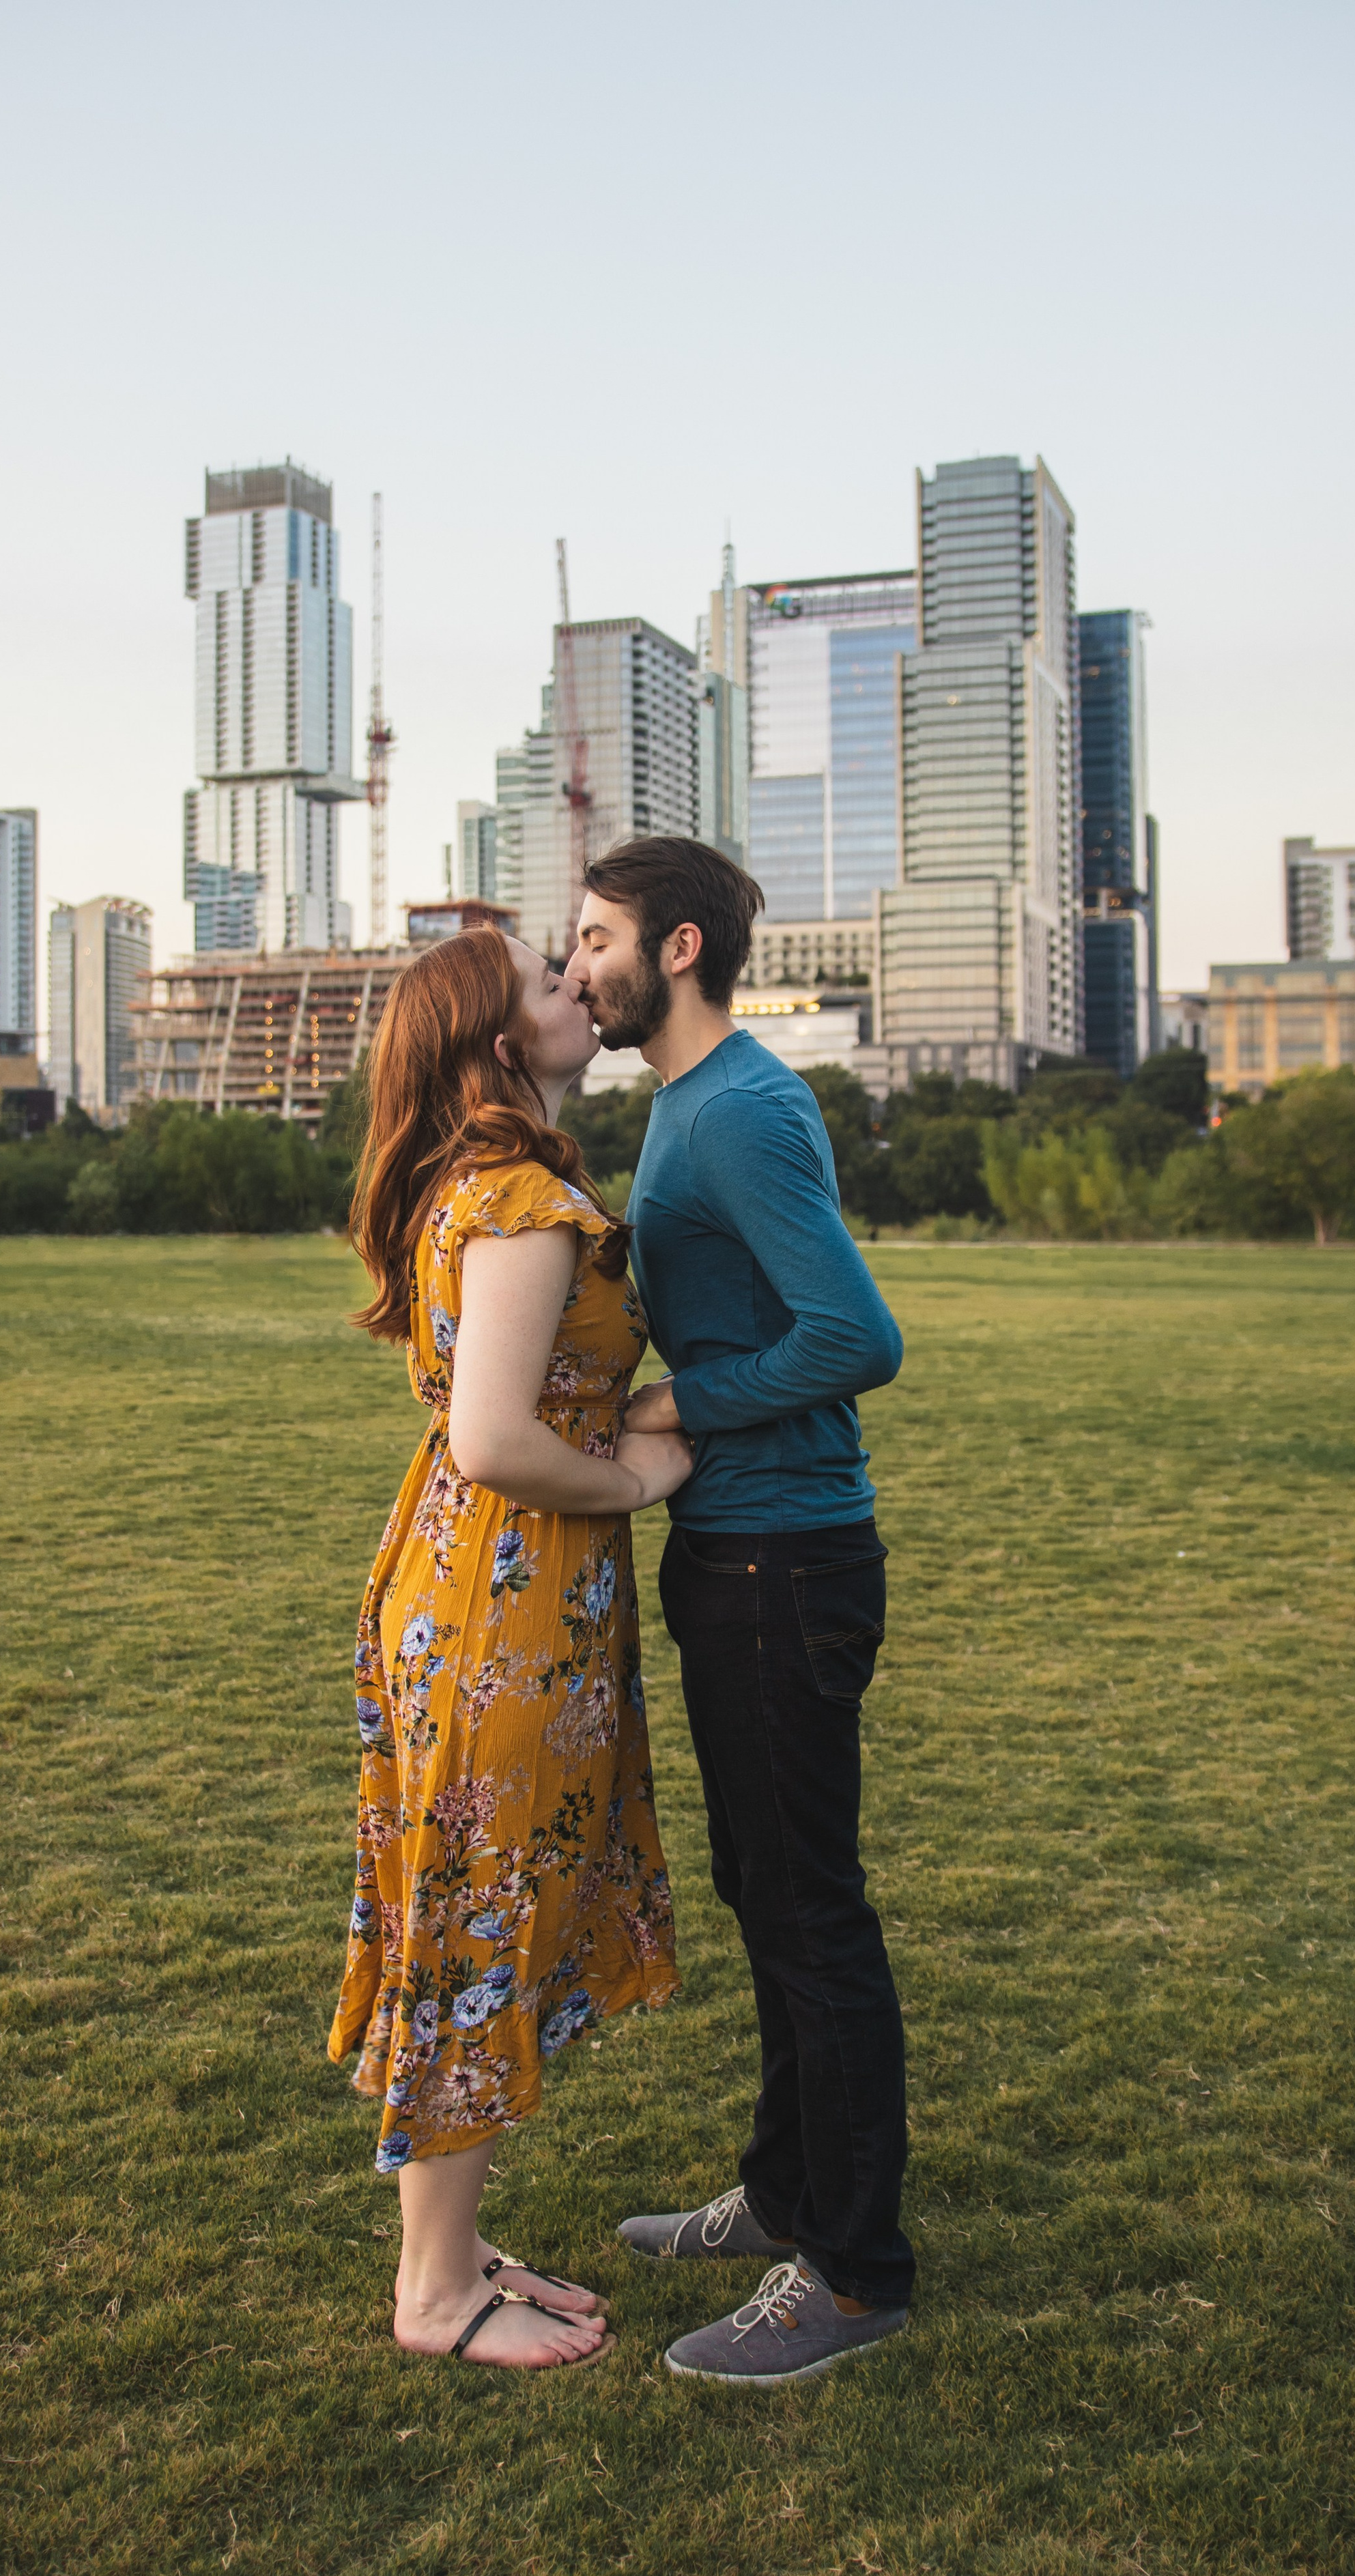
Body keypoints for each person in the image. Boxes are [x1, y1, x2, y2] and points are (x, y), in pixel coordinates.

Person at [564, 835, 912, 2385]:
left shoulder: (747, 1110)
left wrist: (678, 1403)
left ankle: (851, 2272)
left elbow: (856, 1335)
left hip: (784, 1555)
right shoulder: (684, 1105)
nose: (577, 966)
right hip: (735, 1549)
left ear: (678, 947)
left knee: (808, 1909)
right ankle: (785, 2194)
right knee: (762, 1890)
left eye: (593, 939)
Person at [327, 924, 691, 2370]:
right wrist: (640, 1482)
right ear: (496, 1046)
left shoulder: (470, 1187)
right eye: (550, 982)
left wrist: (652, 1416)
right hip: (504, 1605)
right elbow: (495, 1436)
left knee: (462, 1914)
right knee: (476, 1924)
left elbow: (532, 1394)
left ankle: (455, 2250)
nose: (577, 989)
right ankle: (432, 2296)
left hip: (466, 1586)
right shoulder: (524, 1201)